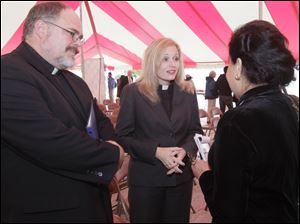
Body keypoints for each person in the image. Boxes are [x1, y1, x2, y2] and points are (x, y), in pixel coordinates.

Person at [1, 2, 125, 223]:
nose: (78, 43)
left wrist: (111, 142)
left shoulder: (75, 81)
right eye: (73, 34)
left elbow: (101, 122)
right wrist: (113, 154)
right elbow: (49, 142)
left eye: (80, 37)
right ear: (41, 28)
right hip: (47, 213)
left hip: (95, 205)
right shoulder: (8, 72)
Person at [191, 20, 298, 223]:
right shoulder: (288, 105)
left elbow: (227, 211)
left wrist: (204, 174)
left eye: (229, 63)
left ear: (238, 66)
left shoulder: (237, 121)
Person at [115, 38, 203, 223]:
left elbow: (195, 131)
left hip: (180, 179)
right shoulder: (133, 92)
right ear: (152, 61)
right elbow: (123, 136)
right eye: (165, 59)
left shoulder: (187, 91)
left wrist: (184, 151)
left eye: (176, 58)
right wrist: (156, 151)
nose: (172, 64)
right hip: (146, 180)